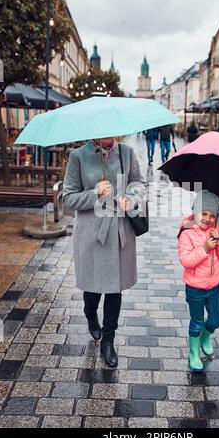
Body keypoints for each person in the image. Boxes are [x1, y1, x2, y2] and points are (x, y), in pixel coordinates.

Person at [63, 137, 146, 368]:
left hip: (120, 232)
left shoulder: (126, 152)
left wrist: (131, 197)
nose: (111, 135)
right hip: (91, 234)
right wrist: (94, 193)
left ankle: (108, 341)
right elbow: (68, 199)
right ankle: (90, 314)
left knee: (114, 290)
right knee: (92, 290)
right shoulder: (78, 156)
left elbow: (139, 183)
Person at [178, 190, 219, 372]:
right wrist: (204, 248)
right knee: (197, 321)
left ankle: (204, 336)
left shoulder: (215, 230)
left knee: (216, 320)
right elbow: (186, 261)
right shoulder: (187, 232)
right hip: (195, 287)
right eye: (204, 213)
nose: (208, 219)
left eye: (212, 215)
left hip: (213, 285)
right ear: (196, 212)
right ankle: (193, 354)